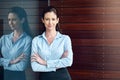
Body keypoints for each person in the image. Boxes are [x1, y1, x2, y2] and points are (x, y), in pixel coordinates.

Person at [31, 6, 73, 80]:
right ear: (42, 20)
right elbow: (35, 67)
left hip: (63, 77)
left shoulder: (65, 39)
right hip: (44, 78)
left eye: (53, 19)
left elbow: (68, 61)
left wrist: (44, 62)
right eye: (47, 19)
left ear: (57, 20)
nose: (50, 23)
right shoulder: (36, 40)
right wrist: (58, 64)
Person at [0, 6, 32, 80]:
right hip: (3, 76)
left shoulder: (27, 40)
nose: (10, 23)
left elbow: (22, 66)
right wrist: (12, 61)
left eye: (14, 20)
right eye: (9, 20)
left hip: (18, 77)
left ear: (22, 20)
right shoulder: (3, 39)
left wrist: (4, 65)